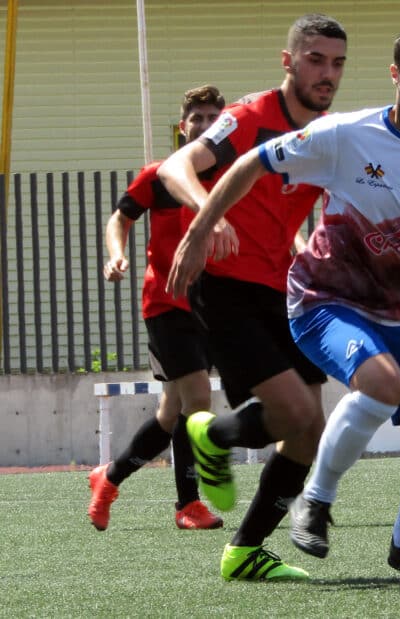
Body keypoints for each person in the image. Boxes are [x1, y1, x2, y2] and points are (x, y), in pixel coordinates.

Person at [166, 21, 400, 574]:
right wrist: (204, 228)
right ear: (396, 75)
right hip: (325, 299)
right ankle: (314, 502)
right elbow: (253, 160)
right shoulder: (347, 133)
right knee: (373, 387)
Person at [157, 14, 347, 581]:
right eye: (315, 59)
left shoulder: (328, 136)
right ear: (287, 62)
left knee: (311, 426)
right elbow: (176, 166)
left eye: (337, 63)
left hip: (284, 289)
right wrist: (205, 216)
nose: (327, 73)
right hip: (225, 286)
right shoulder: (247, 118)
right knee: (292, 411)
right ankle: (211, 434)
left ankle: (244, 551)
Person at [88, 85, 227, 532]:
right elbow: (121, 217)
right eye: (197, 119)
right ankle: (188, 504)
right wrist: (115, 253)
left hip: (211, 305)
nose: (204, 126)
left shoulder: (231, 178)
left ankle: (108, 479)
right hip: (166, 303)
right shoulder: (162, 175)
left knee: (171, 412)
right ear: (182, 126)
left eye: (213, 118)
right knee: (198, 398)